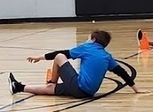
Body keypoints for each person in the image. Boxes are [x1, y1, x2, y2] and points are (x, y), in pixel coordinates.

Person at [9, 30, 143, 98]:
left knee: (59, 57)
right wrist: (136, 89)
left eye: (88, 38)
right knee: (50, 91)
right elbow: (122, 72)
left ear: (93, 40)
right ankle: (18, 87)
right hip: (86, 93)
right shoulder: (107, 56)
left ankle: (52, 82)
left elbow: (63, 53)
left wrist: (40, 57)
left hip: (79, 86)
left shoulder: (87, 48)